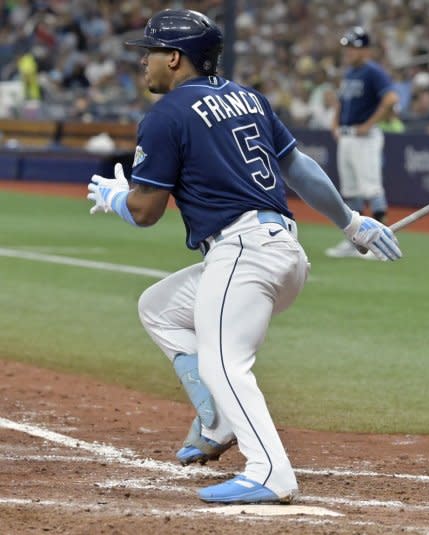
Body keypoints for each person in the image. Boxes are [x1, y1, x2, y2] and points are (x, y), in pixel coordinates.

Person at [86, 8, 401, 504]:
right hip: (284, 253)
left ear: (175, 58)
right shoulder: (248, 97)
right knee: (159, 308)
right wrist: (350, 221)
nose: (142, 61)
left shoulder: (165, 115)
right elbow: (298, 168)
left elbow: (146, 212)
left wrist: (116, 200)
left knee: (224, 363)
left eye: (149, 52)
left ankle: (271, 472)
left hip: (242, 252)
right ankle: (215, 420)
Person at [325, 26, 399, 258]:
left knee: (371, 187)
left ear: (366, 50)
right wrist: (335, 123)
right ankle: (356, 241)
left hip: (364, 137)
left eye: (353, 47)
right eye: (347, 47)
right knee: (351, 191)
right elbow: (340, 102)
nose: (348, 51)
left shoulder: (372, 71)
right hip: (348, 136)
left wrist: (369, 123)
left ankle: (380, 242)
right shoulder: (350, 73)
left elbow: (391, 98)